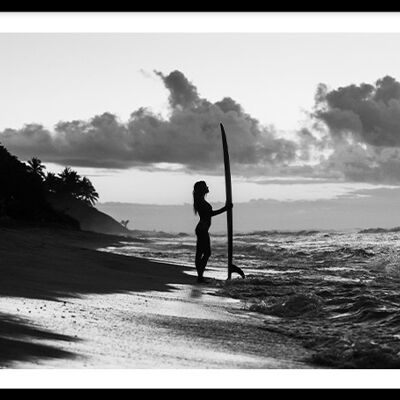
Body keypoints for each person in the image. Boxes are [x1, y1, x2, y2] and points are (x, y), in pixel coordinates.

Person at [193, 180, 232, 283]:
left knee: (202, 253)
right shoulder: (200, 201)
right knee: (205, 253)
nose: (207, 187)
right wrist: (225, 209)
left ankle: (200, 276)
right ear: (202, 189)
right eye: (205, 186)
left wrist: (225, 208)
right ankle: (200, 276)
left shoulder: (200, 200)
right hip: (202, 229)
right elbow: (210, 214)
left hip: (202, 229)